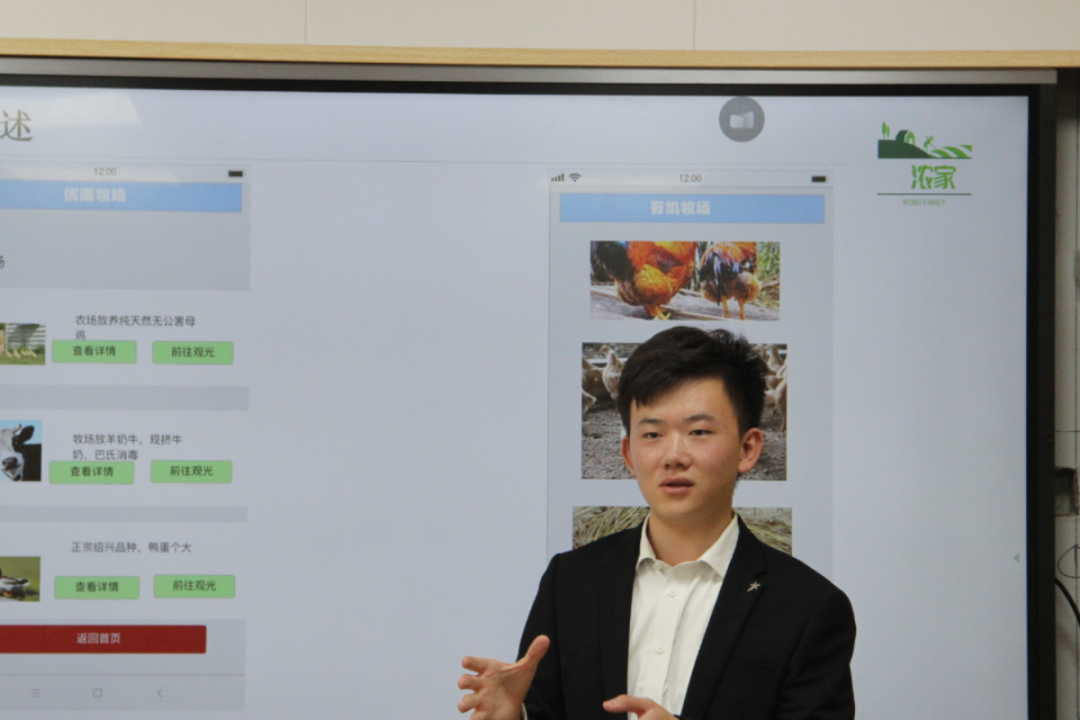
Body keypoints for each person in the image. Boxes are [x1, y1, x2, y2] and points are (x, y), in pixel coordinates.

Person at [458, 327, 855, 720]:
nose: (673, 455)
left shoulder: (809, 607)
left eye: (698, 431)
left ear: (747, 449)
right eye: (652, 434)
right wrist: (514, 717)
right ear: (629, 455)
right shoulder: (571, 581)